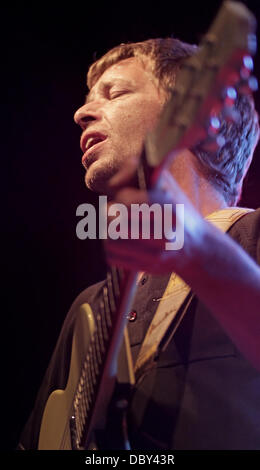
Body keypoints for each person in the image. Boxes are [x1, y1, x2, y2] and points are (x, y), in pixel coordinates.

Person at [18, 37, 260, 450]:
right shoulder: (87, 311)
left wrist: (195, 244)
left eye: (115, 92)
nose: (80, 113)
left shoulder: (253, 237)